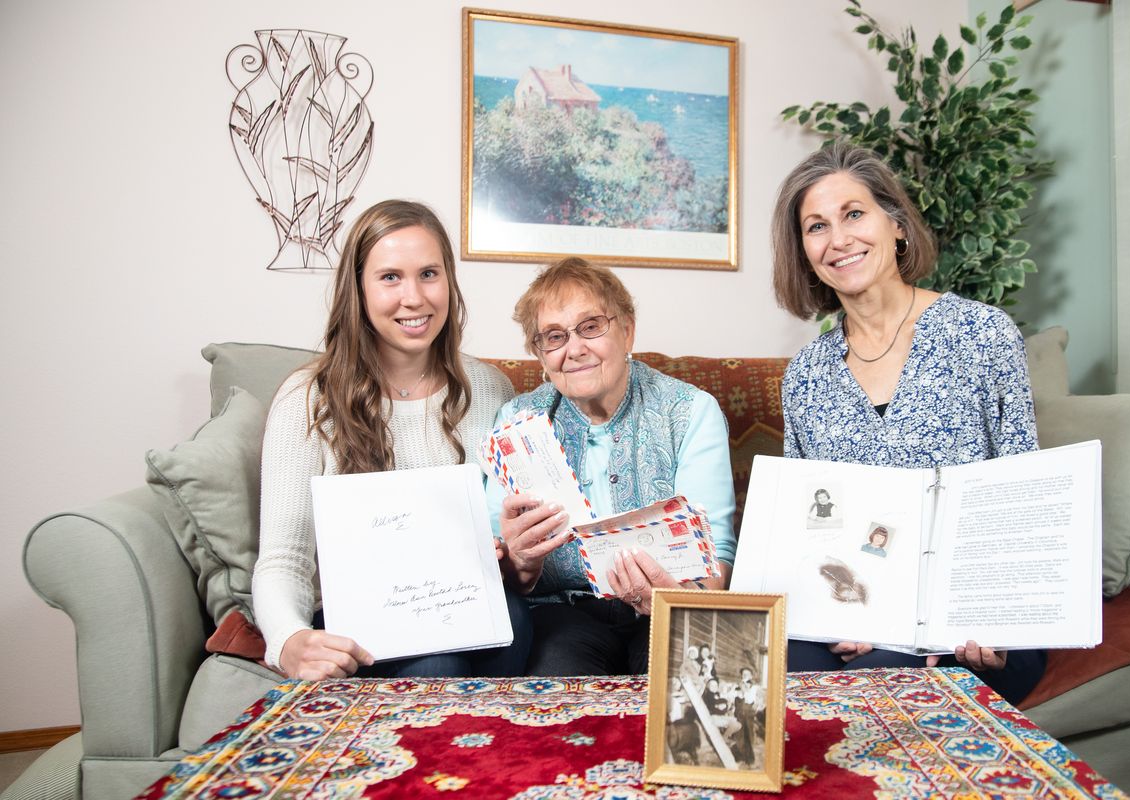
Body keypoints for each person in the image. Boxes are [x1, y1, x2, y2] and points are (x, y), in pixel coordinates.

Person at [771, 142, 1044, 704]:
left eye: (853, 214)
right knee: (776, 675)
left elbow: (1023, 496)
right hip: (855, 610)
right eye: (816, 226)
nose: (838, 239)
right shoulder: (805, 374)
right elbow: (811, 529)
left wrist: (973, 614)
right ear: (804, 252)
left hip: (973, 610)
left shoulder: (983, 335)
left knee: (877, 686)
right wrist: (837, 613)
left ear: (895, 224)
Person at [252, 200, 531, 681]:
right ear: (357, 289)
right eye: (389, 278)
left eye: (428, 273)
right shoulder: (307, 399)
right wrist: (288, 640)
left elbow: (506, 532)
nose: (414, 297)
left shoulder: (490, 390)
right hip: (363, 622)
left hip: (473, 610)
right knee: (437, 664)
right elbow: (284, 556)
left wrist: (509, 555)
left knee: (512, 628)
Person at [489, 257, 737, 676]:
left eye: (591, 327)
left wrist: (667, 597)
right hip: (561, 613)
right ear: (541, 355)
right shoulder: (516, 422)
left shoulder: (690, 410)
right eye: (554, 337)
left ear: (627, 330)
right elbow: (501, 567)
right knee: (557, 682)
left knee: (684, 675)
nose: (575, 349)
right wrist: (520, 561)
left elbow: (717, 561)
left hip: (670, 608)